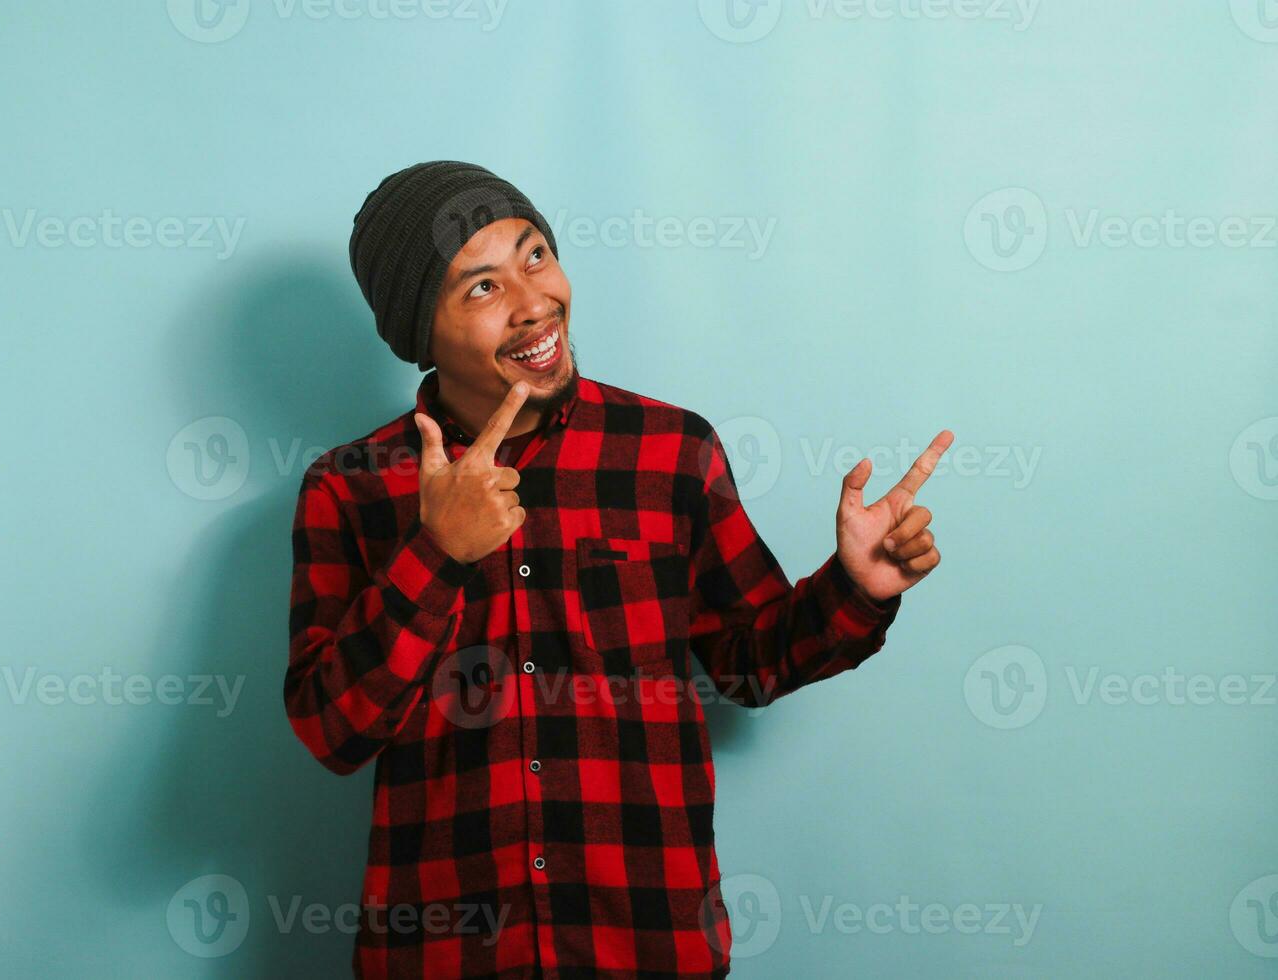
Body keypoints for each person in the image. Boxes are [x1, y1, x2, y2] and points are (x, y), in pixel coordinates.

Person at [285, 160, 952, 978]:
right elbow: (333, 731)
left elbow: (748, 664)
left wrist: (855, 591)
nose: (536, 303)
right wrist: (437, 556)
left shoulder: (672, 452)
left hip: (647, 945)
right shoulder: (347, 490)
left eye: (536, 256)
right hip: (444, 958)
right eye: (482, 288)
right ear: (419, 330)